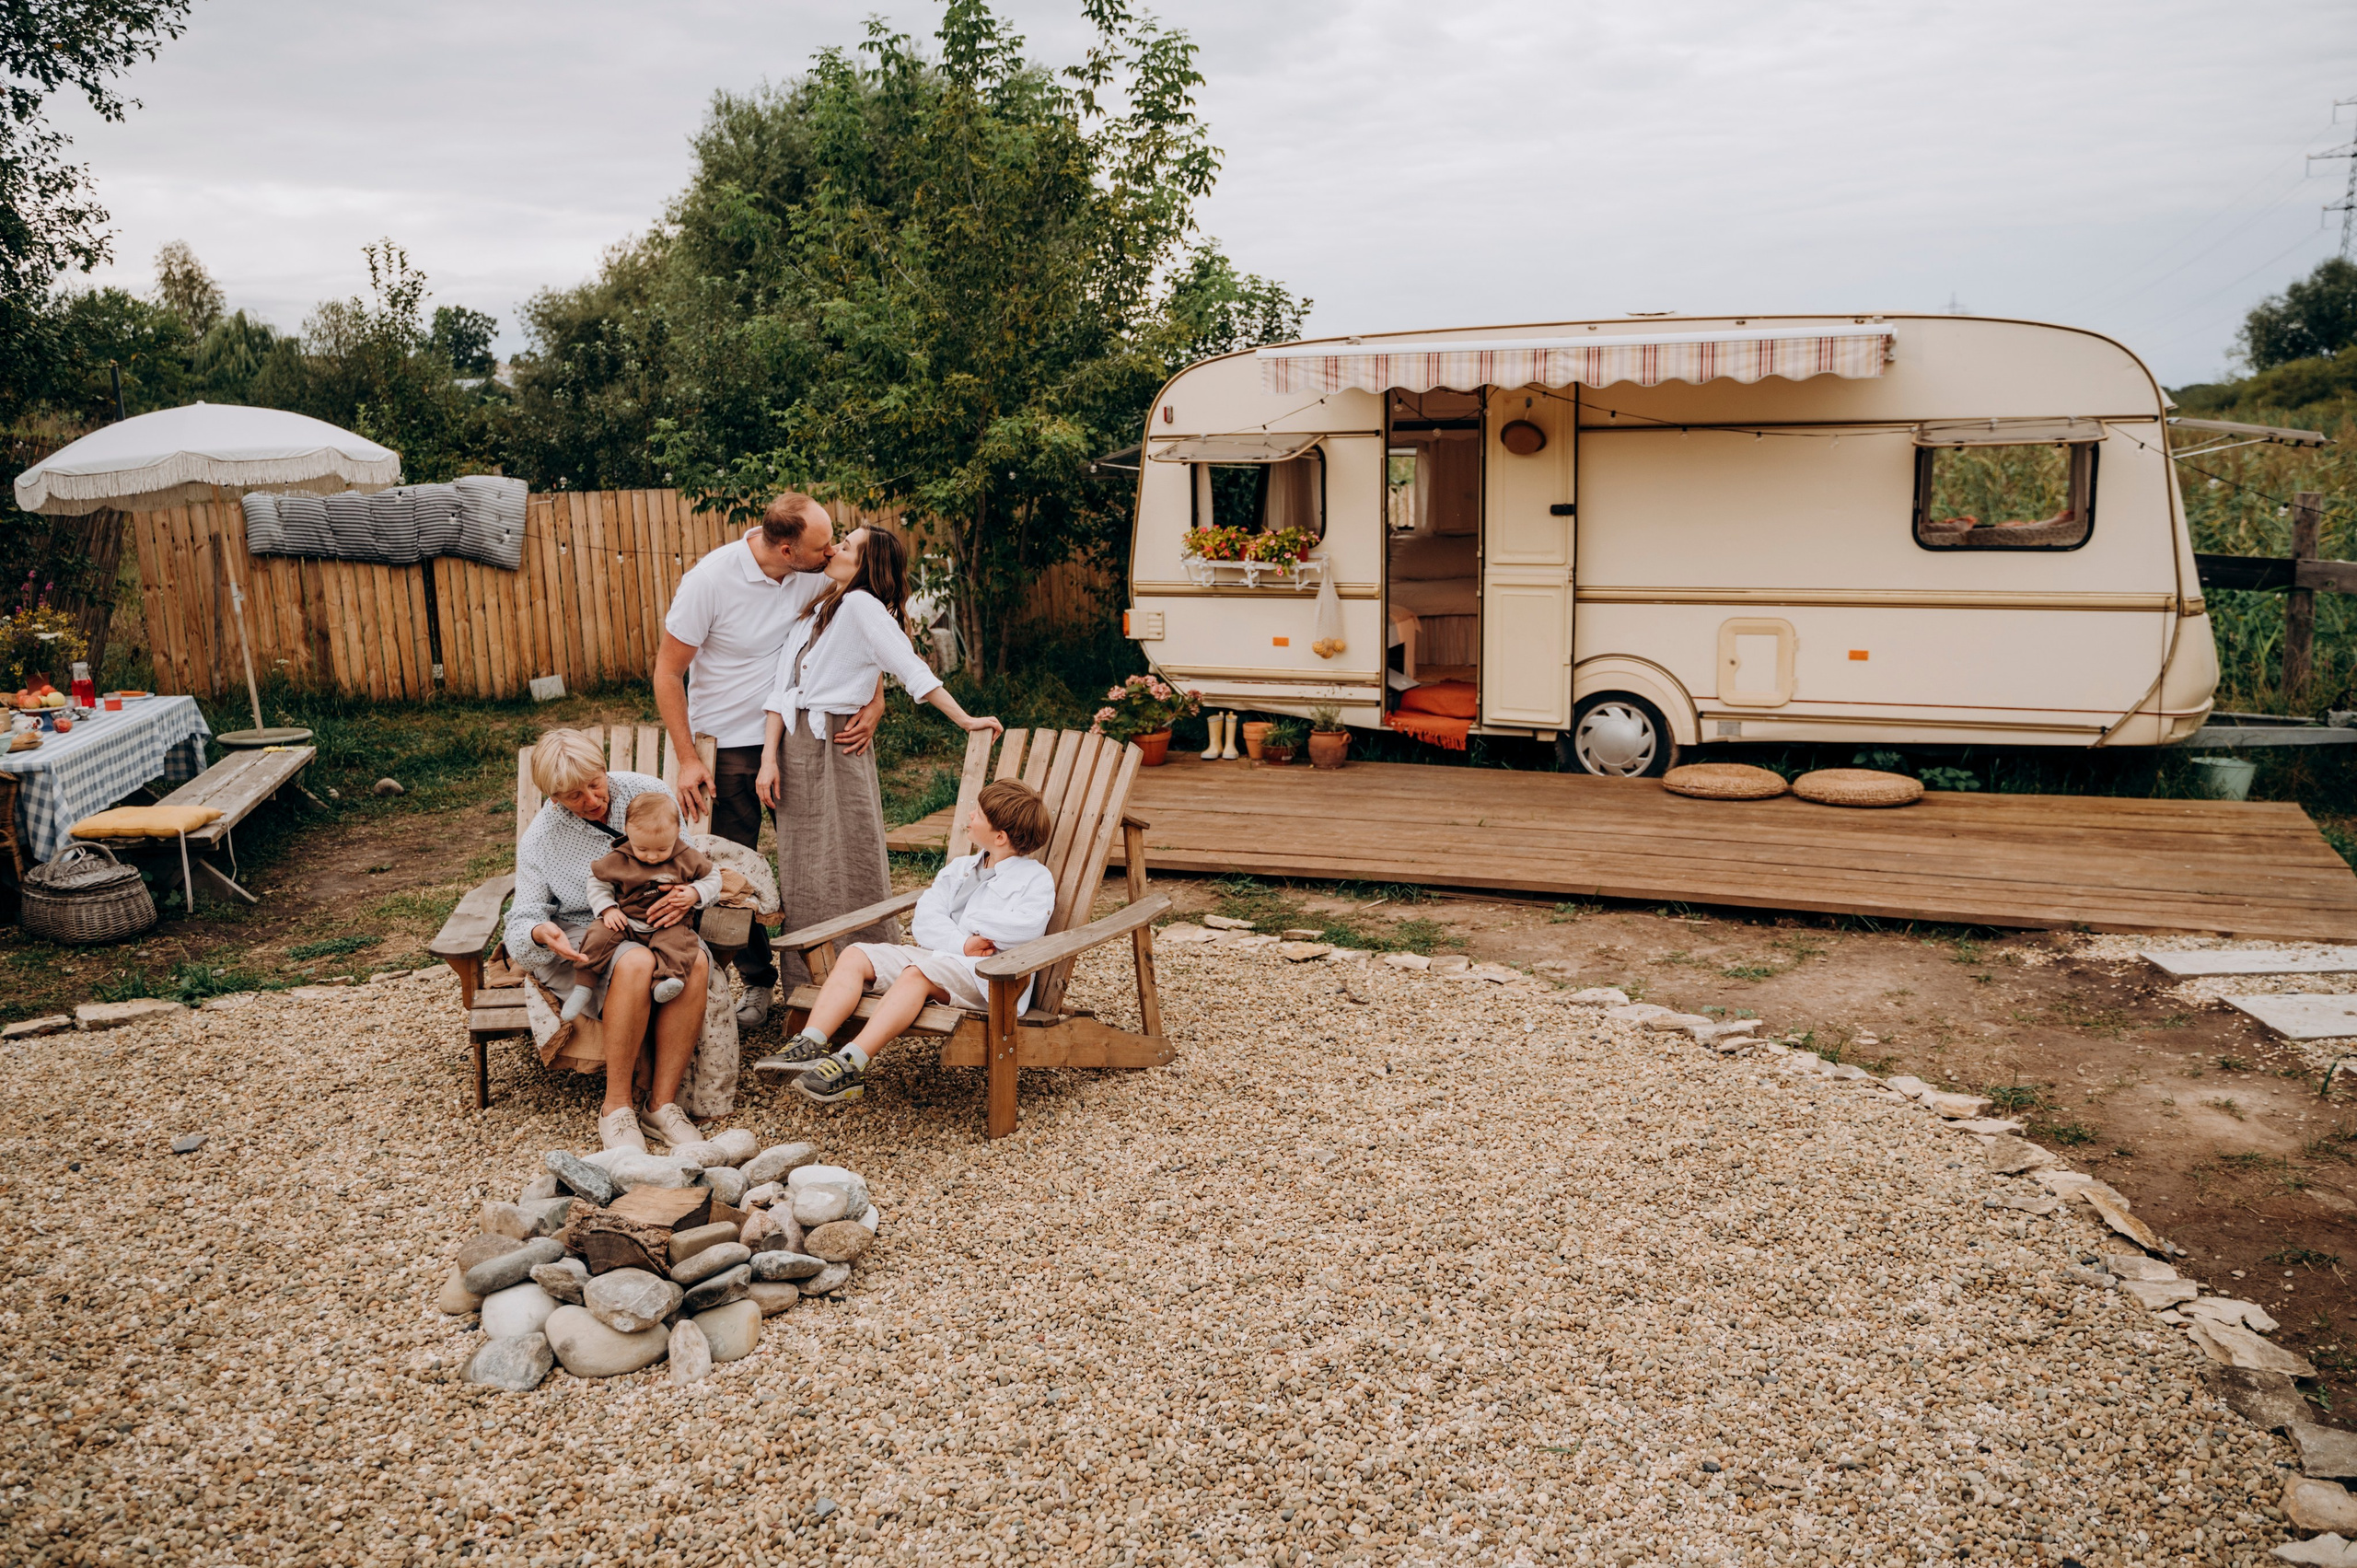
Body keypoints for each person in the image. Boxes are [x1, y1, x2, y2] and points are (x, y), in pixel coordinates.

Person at [655, 492, 886, 1028]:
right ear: (787, 549)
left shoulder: (819, 569)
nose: (831, 552)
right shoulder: (709, 582)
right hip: (731, 745)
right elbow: (668, 673)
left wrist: (876, 699)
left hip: (801, 738)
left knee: (818, 857)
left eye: (833, 540)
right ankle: (757, 983)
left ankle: (833, 974)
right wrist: (689, 759)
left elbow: (873, 619)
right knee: (738, 870)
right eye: (821, 544)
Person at [752, 525, 1003, 1008]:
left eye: (845, 545)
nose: (834, 549)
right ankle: (808, 984)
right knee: (803, 867)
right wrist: (768, 759)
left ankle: (864, 967)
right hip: (796, 746)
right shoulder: (821, 606)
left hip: (837, 747)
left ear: (865, 564)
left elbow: (912, 670)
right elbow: (782, 692)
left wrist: (965, 719)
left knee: (848, 854)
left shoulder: (863, 606)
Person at [770, 778, 1055, 1104]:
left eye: (978, 814)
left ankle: (851, 1064)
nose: (970, 816)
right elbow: (925, 920)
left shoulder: (1035, 880)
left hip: (991, 979)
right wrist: (962, 943)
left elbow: (1027, 929)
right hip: (947, 956)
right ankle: (810, 1043)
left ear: (1000, 837)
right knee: (855, 955)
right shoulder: (961, 868)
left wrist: (973, 926)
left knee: (917, 975)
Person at [505, 728, 714, 1154]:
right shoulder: (541, 839)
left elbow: (691, 862)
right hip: (588, 932)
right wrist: (538, 933)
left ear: (604, 768)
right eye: (574, 795)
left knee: (695, 963)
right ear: (553, 797)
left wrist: (690, 895)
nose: (592, 799)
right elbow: (523, 917)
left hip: (661, 922)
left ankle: (661, 1106)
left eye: (595, 784)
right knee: (635, 962)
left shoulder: (648, 792)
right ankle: (615, 1109)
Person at [563, 791, 723, 1022]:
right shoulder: (619, 858)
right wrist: (608, 909)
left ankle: (667, 982)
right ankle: (583, 987)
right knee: (597, 935)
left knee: (680, 944)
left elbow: (713, 877)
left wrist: (694, 892)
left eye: (661, 850)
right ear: (628, 833)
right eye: (643, 849)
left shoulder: (686, 856)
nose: (651, 857)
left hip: (668, 923)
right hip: (626, 920)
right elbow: (597, 881)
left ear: (677, 834)